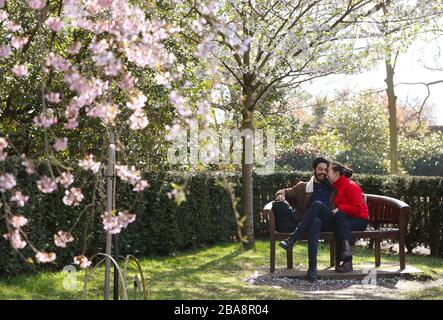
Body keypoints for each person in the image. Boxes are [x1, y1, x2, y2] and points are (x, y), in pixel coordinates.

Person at [274, 157, 336, 281]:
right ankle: (312, 269)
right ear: (314, 170)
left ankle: (292, 239)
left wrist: (362, 196)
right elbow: (284, 191)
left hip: (329, 221)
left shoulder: (333, 186)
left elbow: (351, 189)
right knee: (315, 221)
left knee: (317, 204)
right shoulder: (302, 187)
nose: (323, 172)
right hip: (310, 224)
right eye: (320, 169)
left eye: (325, 170)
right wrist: (279, 194)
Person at [327, 162, 369, 273]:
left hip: (359, 220)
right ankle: (347, 256)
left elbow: (357, 209)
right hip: (346, 220)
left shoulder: (351, 186)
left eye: (328, 171)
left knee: (339, 220)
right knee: (339, 219)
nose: (326, 174)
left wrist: (339, 208)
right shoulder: (336, 185)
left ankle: (347, 258)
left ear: (336, 173)